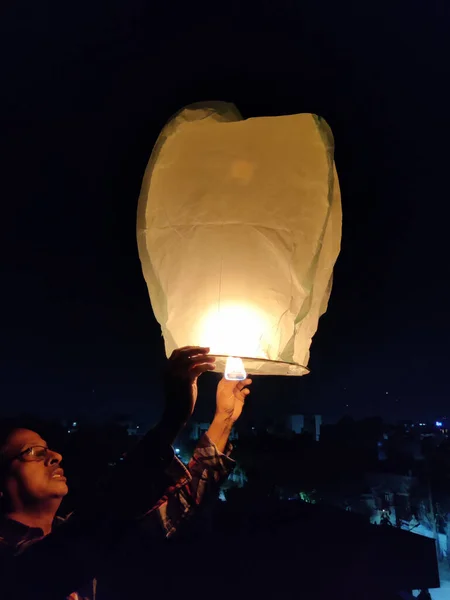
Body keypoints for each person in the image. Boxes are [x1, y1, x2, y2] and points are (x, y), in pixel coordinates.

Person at [0, 347, 252, 599]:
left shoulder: (77, 532)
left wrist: (223, 420)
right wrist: (173, 417)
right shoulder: (9, 560)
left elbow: (175, 510)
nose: (55, 456)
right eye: (33, 452)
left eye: (48, 449)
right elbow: (107, 511)